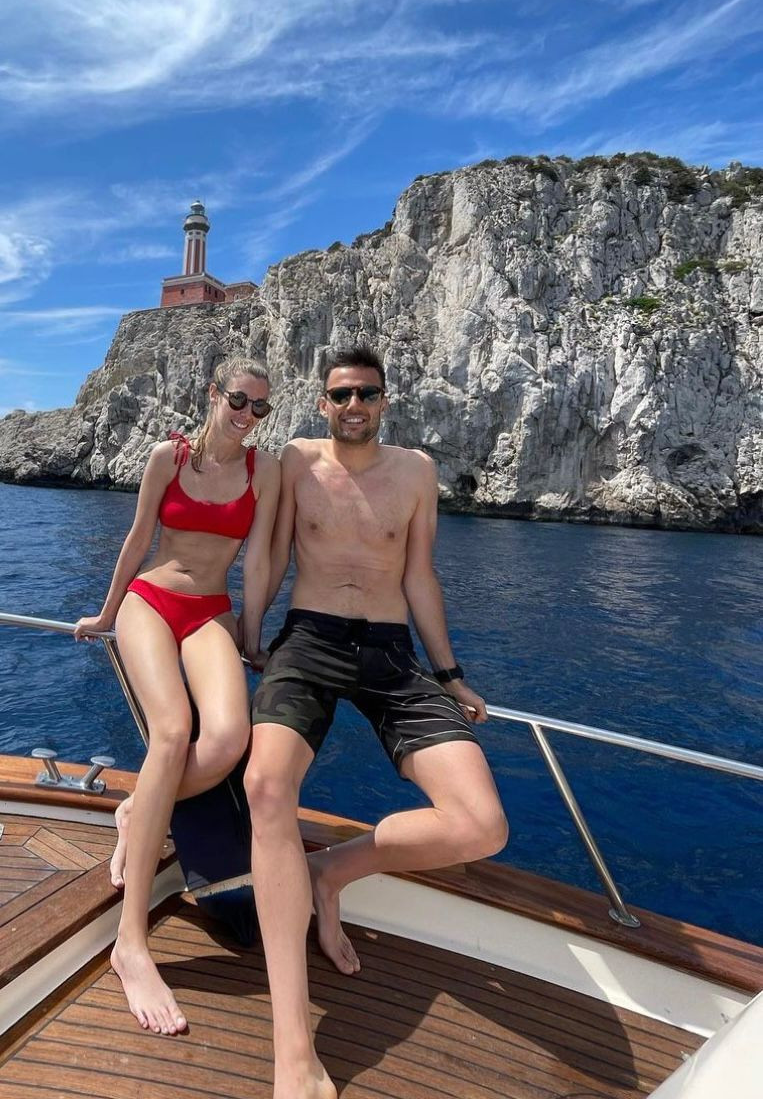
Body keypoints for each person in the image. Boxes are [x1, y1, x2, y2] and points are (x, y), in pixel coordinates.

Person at [245, 343, 508, 1099]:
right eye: (339, 394)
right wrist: (250, 632)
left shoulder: (417, 472)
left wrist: (449, 673)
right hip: (308, 640)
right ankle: (293, 1049)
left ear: (384, 400)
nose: (352, 405)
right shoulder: (295, 461)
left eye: (365, 393)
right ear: (321, 403)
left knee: (481, 826)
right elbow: (267, 554)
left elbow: (420, 574)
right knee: (266, 788)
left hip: (392, 653)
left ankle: (330, 871)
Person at [74, 357, 280, 1036]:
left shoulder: (265, 470)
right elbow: (138, 538)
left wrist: (253, 636)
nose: (248, 417)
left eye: (261, 408)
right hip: (151, 602)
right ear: (214, 394)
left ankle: (139, 810)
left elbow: (258, 561)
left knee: (226, 740)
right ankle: (130, 943)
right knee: (171, 732)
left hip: (211, 611)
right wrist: (107, 614)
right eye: (240, 401)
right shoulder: (169, 456)